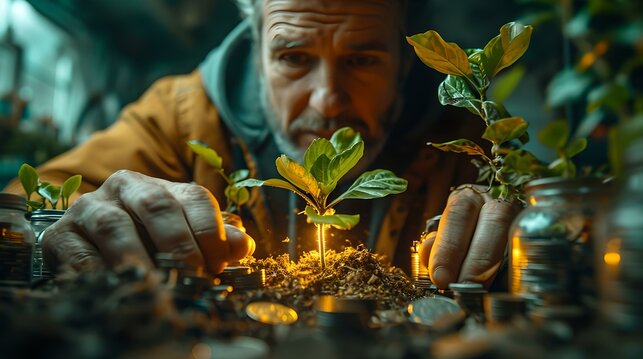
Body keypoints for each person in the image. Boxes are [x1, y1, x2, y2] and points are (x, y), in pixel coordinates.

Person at [4, 0, 519, 289]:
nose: (329, 100)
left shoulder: (467, 143)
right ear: (256, 55)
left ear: (404, 63)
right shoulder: (178, 116)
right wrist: (81, 222)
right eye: (294, 57)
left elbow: (559, 212)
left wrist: (532, 222)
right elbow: (20, 212)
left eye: (362, 61)